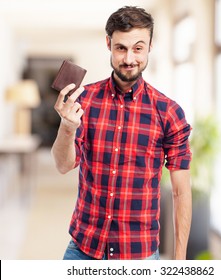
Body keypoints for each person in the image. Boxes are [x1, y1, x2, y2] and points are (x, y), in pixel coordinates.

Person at [51, 6, 192, 260]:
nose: (129, 59)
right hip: (83, 249)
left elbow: (181, 192)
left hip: (138, 254)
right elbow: (63, 165)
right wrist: (67, 127)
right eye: (121, 48)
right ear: (108, 44)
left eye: (138, 48)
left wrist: (179, 261)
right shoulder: (85, 100)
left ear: (149, 46)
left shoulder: (169, 112)